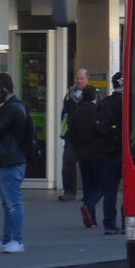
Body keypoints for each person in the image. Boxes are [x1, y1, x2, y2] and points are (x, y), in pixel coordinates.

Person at [0, 72, 29, 254]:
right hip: (8, 159)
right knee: (7, 204)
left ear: (2, 89)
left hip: (12, 160)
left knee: (13, 203)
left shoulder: (13, 108)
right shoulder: (11, 107)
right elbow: (0, 131)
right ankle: (7, 239)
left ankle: (16, 240)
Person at [69, 85, 102, 229]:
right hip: (97, 153)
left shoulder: (76, 113)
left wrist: (77, 150)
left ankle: (91, 220)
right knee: (102, 184)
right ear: (95, 97)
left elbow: (71, 136)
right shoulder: (98, 111)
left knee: (87, 186)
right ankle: (88, 206)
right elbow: (102, 132)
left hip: (82, 153)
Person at [96, 72, 124, 235]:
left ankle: (109, 224)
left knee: (110, 192)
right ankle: (126, 222)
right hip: (123, 152)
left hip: (108, 153)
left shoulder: (104, 103)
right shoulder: (128, 103)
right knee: (128, 191)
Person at [58, 68, 90, 201]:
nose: (79, 81)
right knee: (68, 162)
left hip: (87, 135)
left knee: (87, 164)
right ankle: (69, 192)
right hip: (71, 134)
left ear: (87, 79)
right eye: (77, 78)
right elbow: (64, 112)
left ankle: (89, 193)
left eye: (82, 78)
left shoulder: (93, 93)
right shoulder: (69, 93)